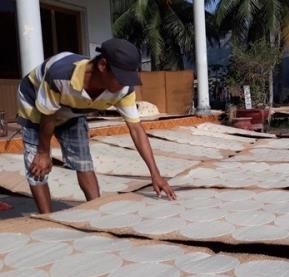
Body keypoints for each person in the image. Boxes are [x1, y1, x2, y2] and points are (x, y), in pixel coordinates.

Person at [17, 38, 176, 214]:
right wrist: (43, 152)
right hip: (36, 107)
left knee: (83, 161)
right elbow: (47, 116)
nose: (124, 84)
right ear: (102, 65)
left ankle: (97, 211)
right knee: (37, 165)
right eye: (121, 78)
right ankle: (47, 218)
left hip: (72, 109)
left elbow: (136, 130)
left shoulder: (123, 90)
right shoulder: (60, 76)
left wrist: (155, 174)